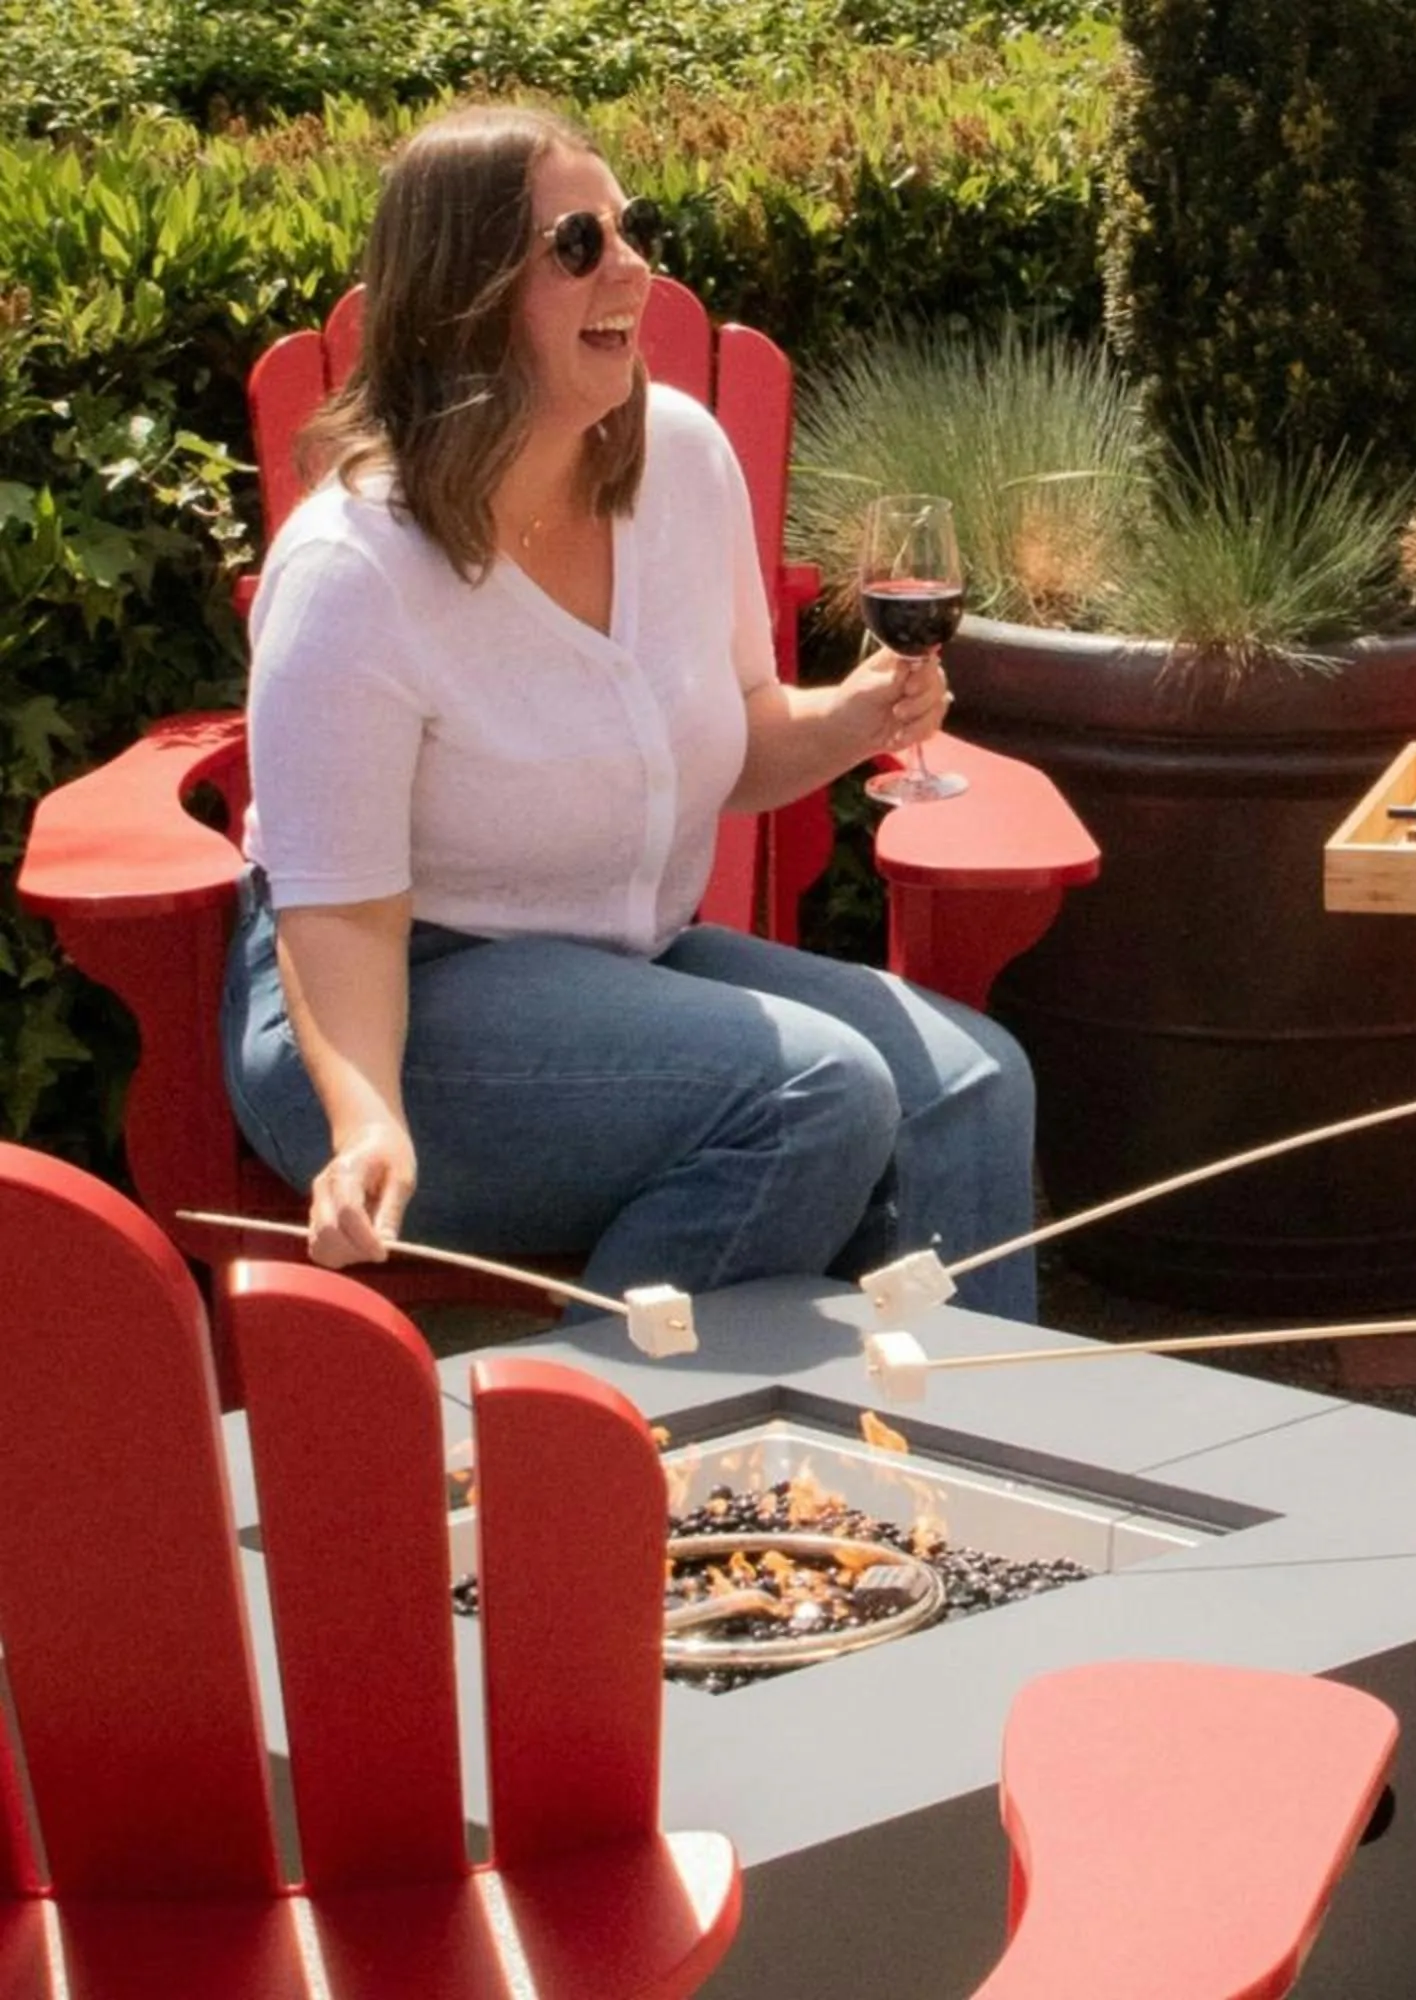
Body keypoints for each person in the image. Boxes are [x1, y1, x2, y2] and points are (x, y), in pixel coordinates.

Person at [223, 105, 1040, 1319]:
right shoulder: (357, 569)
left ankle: (935, 1464)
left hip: (626, 968)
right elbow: (336, 910)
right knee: (812, 1091)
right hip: (388, 1006)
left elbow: (740, 744)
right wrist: (368, 1118)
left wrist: (860, 713)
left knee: (972, 1083)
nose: (634, 266)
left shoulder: (681, 460)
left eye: (633, 229)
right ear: (467, 296)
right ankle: (583, 1470)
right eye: (580, 243)